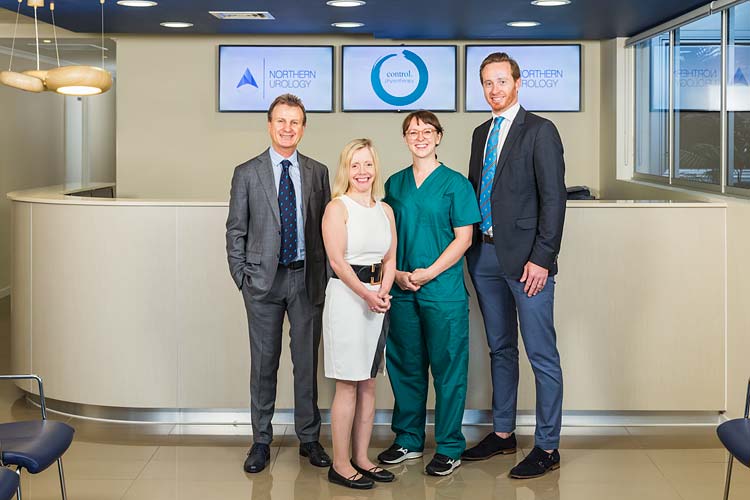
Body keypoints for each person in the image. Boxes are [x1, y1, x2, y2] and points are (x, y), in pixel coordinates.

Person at [463, 52, 567, 479]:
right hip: (484, 256)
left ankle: (547, 446)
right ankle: (503, 434)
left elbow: (554, 201)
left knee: (541, 354)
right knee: (500, 349)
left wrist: (542, 258)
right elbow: (474, 192)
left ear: (518, 83)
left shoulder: (540, 131)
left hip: (528, 263)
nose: (495, 90)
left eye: (502, 81)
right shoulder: (480, 132)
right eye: (488, 82)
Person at [225, 93, 332, 474]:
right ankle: (261, 441)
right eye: (281, 121)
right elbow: (235, 230)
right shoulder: (247, 172)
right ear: (269, 125)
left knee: (306, 364)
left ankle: (309, 438)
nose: (288, 129)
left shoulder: (318, 172)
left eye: (295, 122)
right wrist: (242, 276)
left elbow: (325, 228)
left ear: (303, 128)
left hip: (307, 279)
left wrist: (327, 276)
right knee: (263, 364)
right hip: (263, 284)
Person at [377, 111, 481, 477]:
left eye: (427, 131)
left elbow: (464, 238)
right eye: (412, 131)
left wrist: (428, 273)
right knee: (405, 366)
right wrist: (401, 275)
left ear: (439, 137)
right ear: (405, 138)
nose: (420, 136)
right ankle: (408, 439)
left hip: (443, 290)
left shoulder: (456, 184)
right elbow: (387, 236)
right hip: (403, 288)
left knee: (449, 369)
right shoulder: (395, 183)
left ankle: (450, 445)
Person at [321, 138, 398, 490]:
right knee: (348, 384)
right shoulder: (338, 208)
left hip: (376, 302)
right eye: (355, 165)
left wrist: (382, 292)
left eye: (367, 164)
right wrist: (366, 294)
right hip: (347, 300)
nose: (362, 172)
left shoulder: (385, 210)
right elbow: (337, 261)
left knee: (369, 383)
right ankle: (340, 464)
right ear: (345, 170)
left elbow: (390, 258)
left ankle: (362, 458)